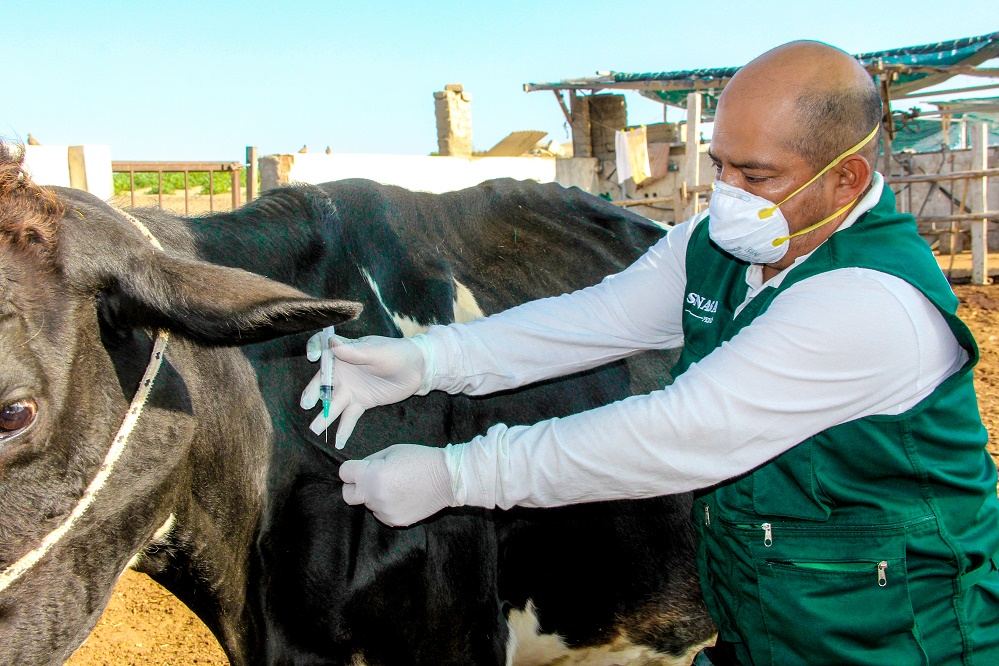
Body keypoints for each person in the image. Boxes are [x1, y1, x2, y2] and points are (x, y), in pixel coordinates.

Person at [300, 41, 999, 664]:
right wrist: (429, 359)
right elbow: (599, 317)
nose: (727, 196)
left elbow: (678, 432)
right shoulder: (723, 244)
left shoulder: (867, 300)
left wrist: (458, 476)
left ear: (845, 179)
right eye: (721, 165)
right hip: (762, 613)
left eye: (756, 177)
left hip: (896, 630)